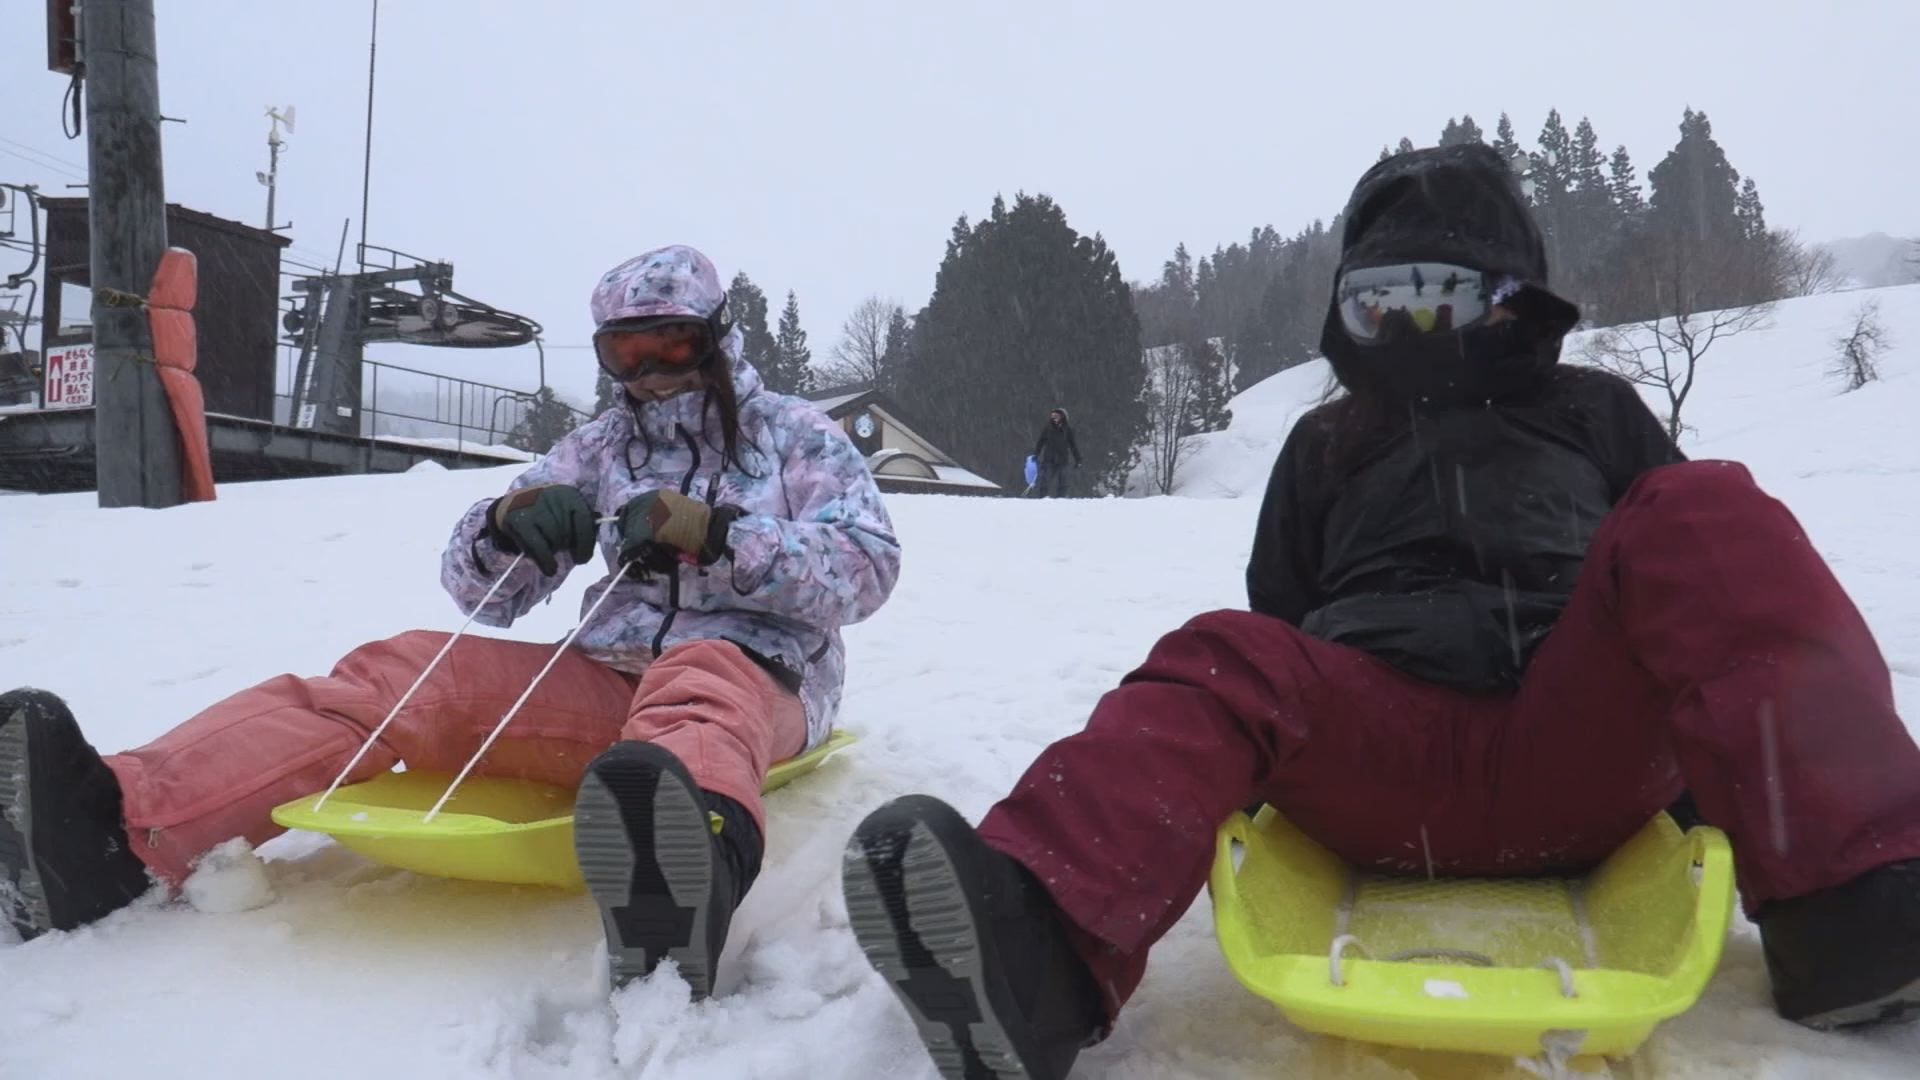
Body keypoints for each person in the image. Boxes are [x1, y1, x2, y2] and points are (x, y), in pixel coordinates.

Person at [840, 145, 1920, 1079]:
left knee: (1702, 510)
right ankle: (1042, 945)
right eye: (1381, 301)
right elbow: (1283, 606)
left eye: (1441, 297)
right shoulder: (1324, 441)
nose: (1411, 327)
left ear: (1512, 299)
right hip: (1383, 763)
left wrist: (1709, 785)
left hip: (1574, 746)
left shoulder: (1595, 410)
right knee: (1224, 653)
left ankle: (1856, 904)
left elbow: (1704, 609)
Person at [0, 244, 901, 1000]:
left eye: (671, 343)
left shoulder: (793, 438)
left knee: (700, 683)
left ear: (715, 336)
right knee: (402, 671)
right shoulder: (597, 450)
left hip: (758, 678)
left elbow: (867, 567)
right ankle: (116, 830)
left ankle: (682, 886)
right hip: (604, 684)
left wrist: (719, 535)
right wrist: (511, 528)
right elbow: (484, 596)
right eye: (626, 354)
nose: (651, 372)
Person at [1030, 407, 1081, 497]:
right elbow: (1040, 442)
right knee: (1045, 481)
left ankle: (1061, 500)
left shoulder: (1068, 430)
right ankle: (1042, 499)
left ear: (1063, 417)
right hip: (1049, 459)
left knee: (1064, 482)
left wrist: (1078, 459)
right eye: (1052, 416)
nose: (1054, 417)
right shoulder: (1048, 429)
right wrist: (1036, 454)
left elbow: (1073, 446)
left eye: (1056, 416)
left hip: (1063, 460)